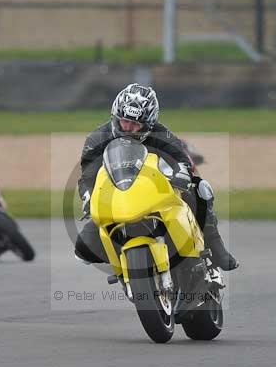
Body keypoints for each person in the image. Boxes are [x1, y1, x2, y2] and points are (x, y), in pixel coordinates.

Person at [74, 83, 239, 271]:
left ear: (149, 123)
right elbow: (88, 176)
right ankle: (123, 264)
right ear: (115, 116)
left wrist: (181, 175)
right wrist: (88, 197)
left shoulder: (161, 134)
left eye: (135, 124)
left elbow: (181, 159)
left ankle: (216, 248)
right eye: (123, 121)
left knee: (200, 188)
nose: (127, 127)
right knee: (83, 249)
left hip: (156, 194)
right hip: (118, 200)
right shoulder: (97, 139)